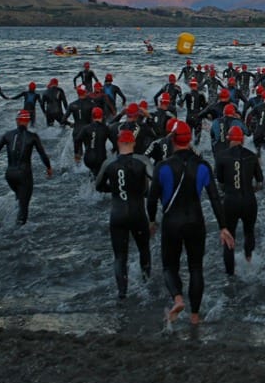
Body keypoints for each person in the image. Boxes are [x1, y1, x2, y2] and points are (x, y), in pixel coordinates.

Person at [147, 121, 234, 324]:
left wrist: (152, 221)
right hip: (196, 221)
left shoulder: (163, 166)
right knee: (196, 268)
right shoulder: (203, 165)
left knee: (169, 267)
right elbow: (214, 198)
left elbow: (152, 199)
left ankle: (178, 299)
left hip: (172, 222)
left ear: (173, 141)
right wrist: (223, 227)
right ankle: (195, 317)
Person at [94, 129, 153, 299]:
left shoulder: (108, 163)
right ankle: (146, 284)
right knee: (144, 250)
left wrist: (113, 190)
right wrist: (145, 191)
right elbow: (156, 180)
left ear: (118, 143)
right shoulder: (142, 161)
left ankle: (122, 294)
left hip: (117, 215)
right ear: (133, 143)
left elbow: (98, 186)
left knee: (120, 256)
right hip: (138, 214)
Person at [0, 110, 53, 225]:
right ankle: (18, 235)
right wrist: (48, 167)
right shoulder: (32, 137)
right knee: (24, 206)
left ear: (17, 120)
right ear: (28, 121)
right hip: (24, 174)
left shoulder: (7, 135)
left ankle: (10, 220)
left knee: (19, 198)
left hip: (9, 175)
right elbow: (42, 154)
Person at [214, 125, 263, 275]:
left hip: (230, 201)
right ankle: (249, 261)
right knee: (249, 232)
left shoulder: (221, 156)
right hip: (249, 200)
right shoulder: (252, 155)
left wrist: (230, 189)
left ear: (229, 139)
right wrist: (249, 189)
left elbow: (220, 183)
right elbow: (260, 183)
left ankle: (230, 275)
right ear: (242, 139)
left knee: (229, 236)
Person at [75, 107, 116, 178]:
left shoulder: (86, 128)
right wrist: (114, 150)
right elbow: (115, 142)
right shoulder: (106, 128)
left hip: (88, 159)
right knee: (99, 175)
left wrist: (76, 154)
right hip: (101, 158)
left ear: (92, 116)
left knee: (92, 172)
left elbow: (77, 140)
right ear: (102, 116)